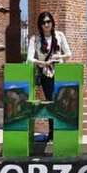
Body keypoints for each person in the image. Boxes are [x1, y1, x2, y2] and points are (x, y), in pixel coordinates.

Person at [26, 11, 72, 142]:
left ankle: (61, 132)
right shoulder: (35, 39)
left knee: (61, 102)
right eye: (43, 22)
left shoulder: (59, 35)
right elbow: (29, 59)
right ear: (40, 25)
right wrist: (42, 63)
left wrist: (58, 56)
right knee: (51, 102)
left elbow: (69, 54)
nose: (46, 25)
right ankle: (52, 133)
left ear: (52, 22)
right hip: (46, 74)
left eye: (48, 21)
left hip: (60, 73)